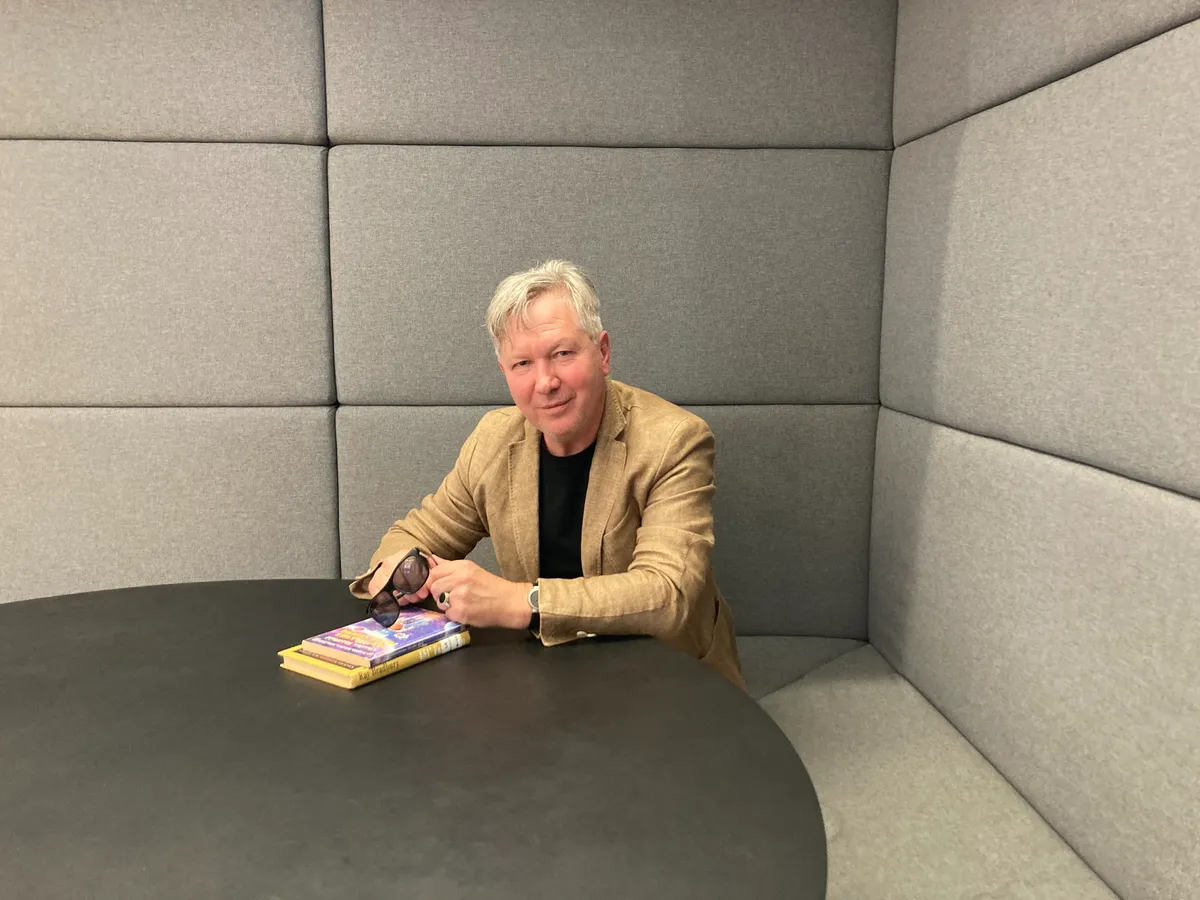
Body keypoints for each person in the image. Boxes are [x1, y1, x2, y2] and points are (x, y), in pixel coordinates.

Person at [348, 260, 744, 690]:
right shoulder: (492, 440)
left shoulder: (674, 440)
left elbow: (668, 595)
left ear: (603, 353)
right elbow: (410, 535)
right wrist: (405, 570)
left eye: (562, 354)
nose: (545, 382)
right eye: (522, 363)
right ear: (505, 374)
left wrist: (521, 601)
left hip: (667, 680)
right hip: (545, 678)